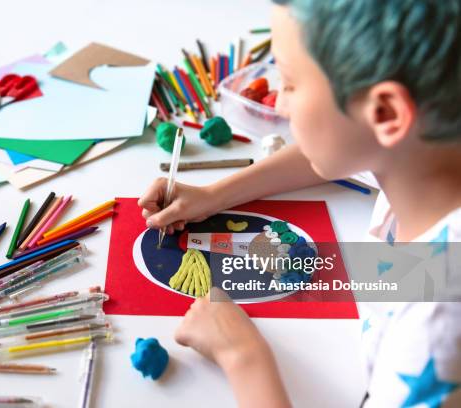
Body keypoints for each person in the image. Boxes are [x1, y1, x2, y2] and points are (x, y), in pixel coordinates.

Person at [138, 1, 461, 406]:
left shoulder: (434, 327)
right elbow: (336, 152)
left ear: (386, 112)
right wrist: (213, 196)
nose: (278, 104)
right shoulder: (424, 152)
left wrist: (243, 357)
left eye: (290, 84)